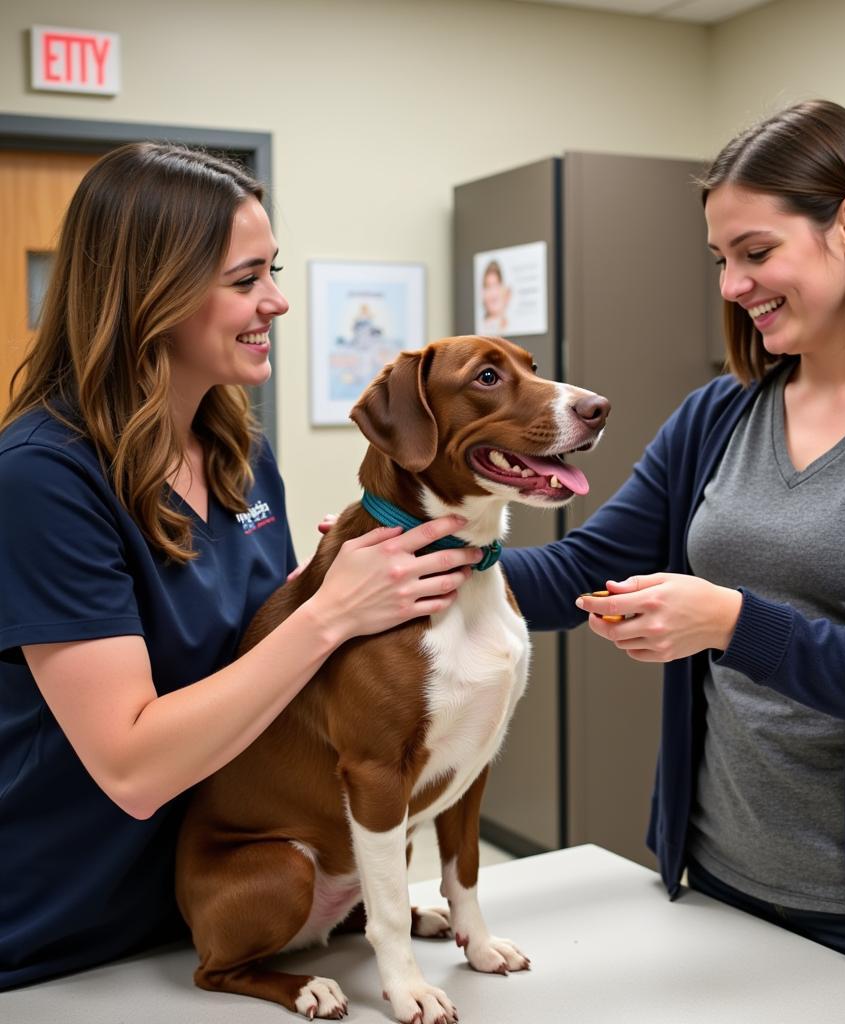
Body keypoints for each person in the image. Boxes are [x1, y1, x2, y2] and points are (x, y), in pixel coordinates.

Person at [499, 100, 845, 1022]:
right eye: (720, 261)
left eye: (756, 252)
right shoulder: (719, 415)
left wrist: (731, 623)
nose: (733, 284)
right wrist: (416, 566)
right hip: (724, 897)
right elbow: (583, 567)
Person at [0, 143, 483, 989]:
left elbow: (263, 665)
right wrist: (329, 611)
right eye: (245, 278)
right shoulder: (42, 477)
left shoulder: (237, 452)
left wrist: (338, 578)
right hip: (67, 936)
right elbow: (134, 765)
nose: (278, 301)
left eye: (276, 270)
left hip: (238, 903)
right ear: (149, 291)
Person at [479, 259, 511, 333]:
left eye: (496, 285)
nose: (492, 293)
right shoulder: (483, 329)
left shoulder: (508, 324)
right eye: (488, 286)